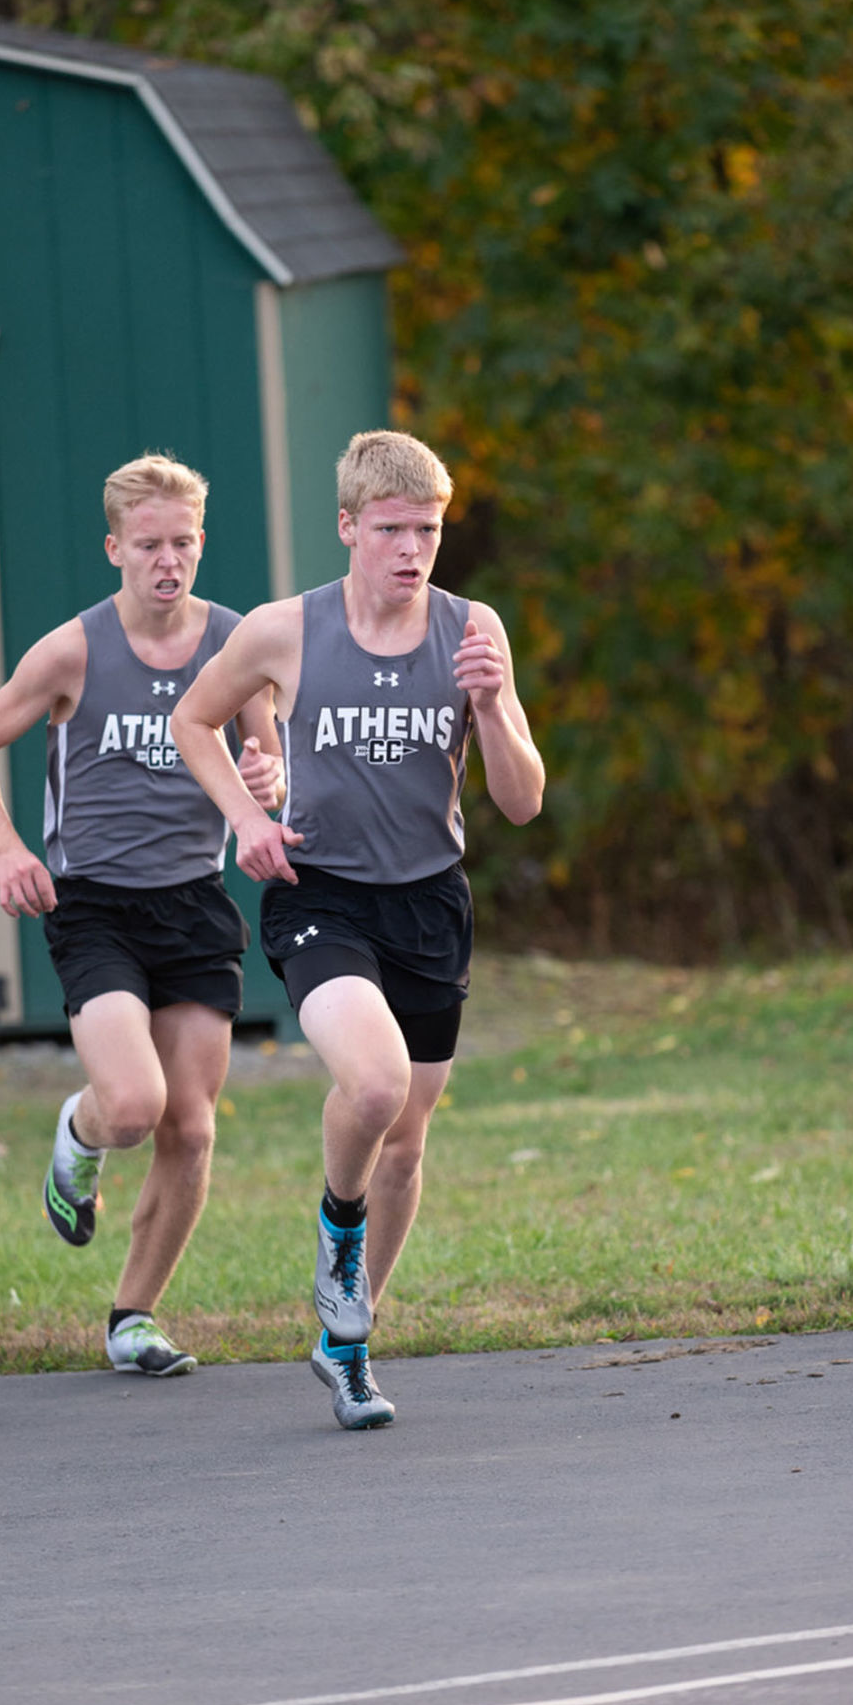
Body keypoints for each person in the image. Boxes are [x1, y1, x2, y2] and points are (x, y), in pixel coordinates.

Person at [171, 429, 544, 1427]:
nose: (409, 548)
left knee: (410, 1143)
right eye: (389, 529)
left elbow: (519, 801)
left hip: (429, 901)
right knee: (372, 1083)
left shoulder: (471, 628)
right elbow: (192, 723)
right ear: (347, 527)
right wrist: (246, 820)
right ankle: (338, 1238)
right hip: (319, 893)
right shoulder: (284, 631)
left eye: (425, 528)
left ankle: (348, 1345)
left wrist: (496, 706)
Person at [0, 454, 283, 1378]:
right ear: (115, 550)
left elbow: (270, 758)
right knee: (135, 1107)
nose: (167, 561)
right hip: (94, 905)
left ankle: (133, 1317)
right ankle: (80, 1132)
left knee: (193, 1128)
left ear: (202, 543)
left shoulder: (237, 646)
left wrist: (269, 777)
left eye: (182, 543)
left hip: (195, 903)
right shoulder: (73, 651)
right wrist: (11, 850)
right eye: (148, 546)